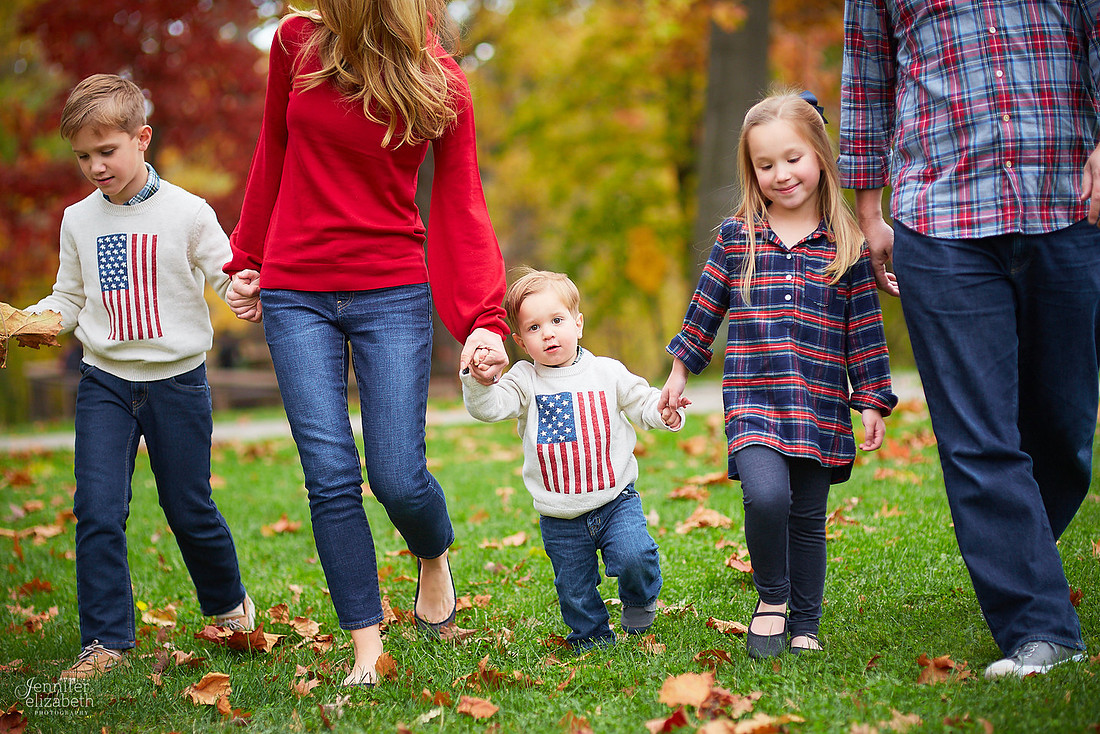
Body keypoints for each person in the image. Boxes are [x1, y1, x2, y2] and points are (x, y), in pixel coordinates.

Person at [223, 0, 509, 687]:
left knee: (397, 475)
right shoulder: (295, 42)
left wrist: (483, 318)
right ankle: (366, 647)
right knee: (329, 474)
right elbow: (274, 148)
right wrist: (249, 255)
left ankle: (432, 553)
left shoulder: (441, 79)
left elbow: (461, 200)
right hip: (297, 290)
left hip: (392, 291)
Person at [840, 0, 1097, 677]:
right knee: (977, 437)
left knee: (1065, 429)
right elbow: (867, 73)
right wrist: (869, 209)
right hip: (940, 214)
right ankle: (1040, 628)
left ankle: (1023, 554)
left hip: (1066, 198)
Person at [19, 74, 254, 679]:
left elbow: (227, 276)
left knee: (188, 506)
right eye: (83, 156)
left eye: (107, 151)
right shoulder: (78, 221)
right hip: (104, 382)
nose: (95, 166)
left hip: (178, 382)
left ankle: (229, 606)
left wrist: (245, 293)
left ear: (141, 139)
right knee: (97, 509)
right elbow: (69, 296)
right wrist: (37, 319)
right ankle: (105, 643)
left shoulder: (188, 212)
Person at [661, 92, 897, 659]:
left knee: (807, 518)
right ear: (752, 171)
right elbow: (704, 310)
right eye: (765, 165)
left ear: (819, 155)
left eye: (792, 159)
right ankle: (772, 599)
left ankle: (806, 622)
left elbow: (864, 330)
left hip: (818, 408)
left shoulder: (847, 248)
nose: (781, 174)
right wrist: (677, 371)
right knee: (766, 498)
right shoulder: (736, 237)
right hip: (753, 401)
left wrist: (870, 400)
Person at [461, 269, 682, 648]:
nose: (548, 333)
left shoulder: (606, 371)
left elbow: (640, 400)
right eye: (533, 327)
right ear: (519, 341)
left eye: (557, 320)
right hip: (559, 514)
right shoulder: (524, 380)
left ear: (578, 324)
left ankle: (639, 601)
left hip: (615, 498)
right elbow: (491, 408)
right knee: (575, 587)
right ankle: (591, 636)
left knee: (635, 555)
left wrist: (662, 411)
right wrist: (479, 381)